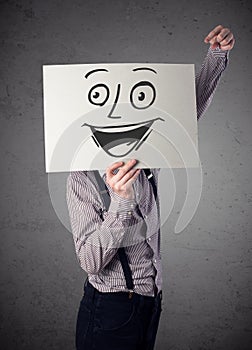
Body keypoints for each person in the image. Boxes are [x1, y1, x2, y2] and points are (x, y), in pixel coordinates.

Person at [66, 24, 235, 350]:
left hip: (149, 304)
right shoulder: (81, 178)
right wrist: (120, 201)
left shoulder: (147, 159)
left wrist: (217, 54)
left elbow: (188, 110)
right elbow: (89, 261)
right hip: (111, 310)